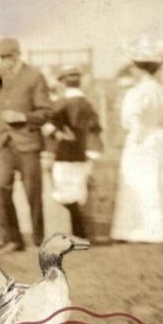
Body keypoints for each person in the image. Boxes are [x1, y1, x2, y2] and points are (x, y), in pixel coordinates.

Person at [110, 38, 163, 244]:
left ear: (139, 69)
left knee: (142, 183)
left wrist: (139, 131)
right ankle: (162, 230)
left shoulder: (137, 92)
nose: (132, 71)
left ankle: (141, 230)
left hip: (142, 140)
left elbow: (129, 120)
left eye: (134, 67)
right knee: (160, 182)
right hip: (161, 140)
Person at [0, 38, 52, 251]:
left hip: (27, 143)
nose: (4, 61)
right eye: (1, 57)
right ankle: (14, 240)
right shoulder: (0, 78)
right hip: (4, 143)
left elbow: (46, 111)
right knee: (1, 189)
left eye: (8, 56)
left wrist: (23, 117)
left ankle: (38, 240)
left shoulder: (34, 76)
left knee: (32, 193)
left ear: (18, 54)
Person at [46, 66, 102, 240]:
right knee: (78, 192)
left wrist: (56, 132)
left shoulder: (61, 104)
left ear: (63, 83)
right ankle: (81, 232)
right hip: (82, 153)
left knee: (64, 193)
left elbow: (48, 127)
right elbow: (95, 129)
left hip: (64, 152)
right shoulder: (88, 104)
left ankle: (78, 232)